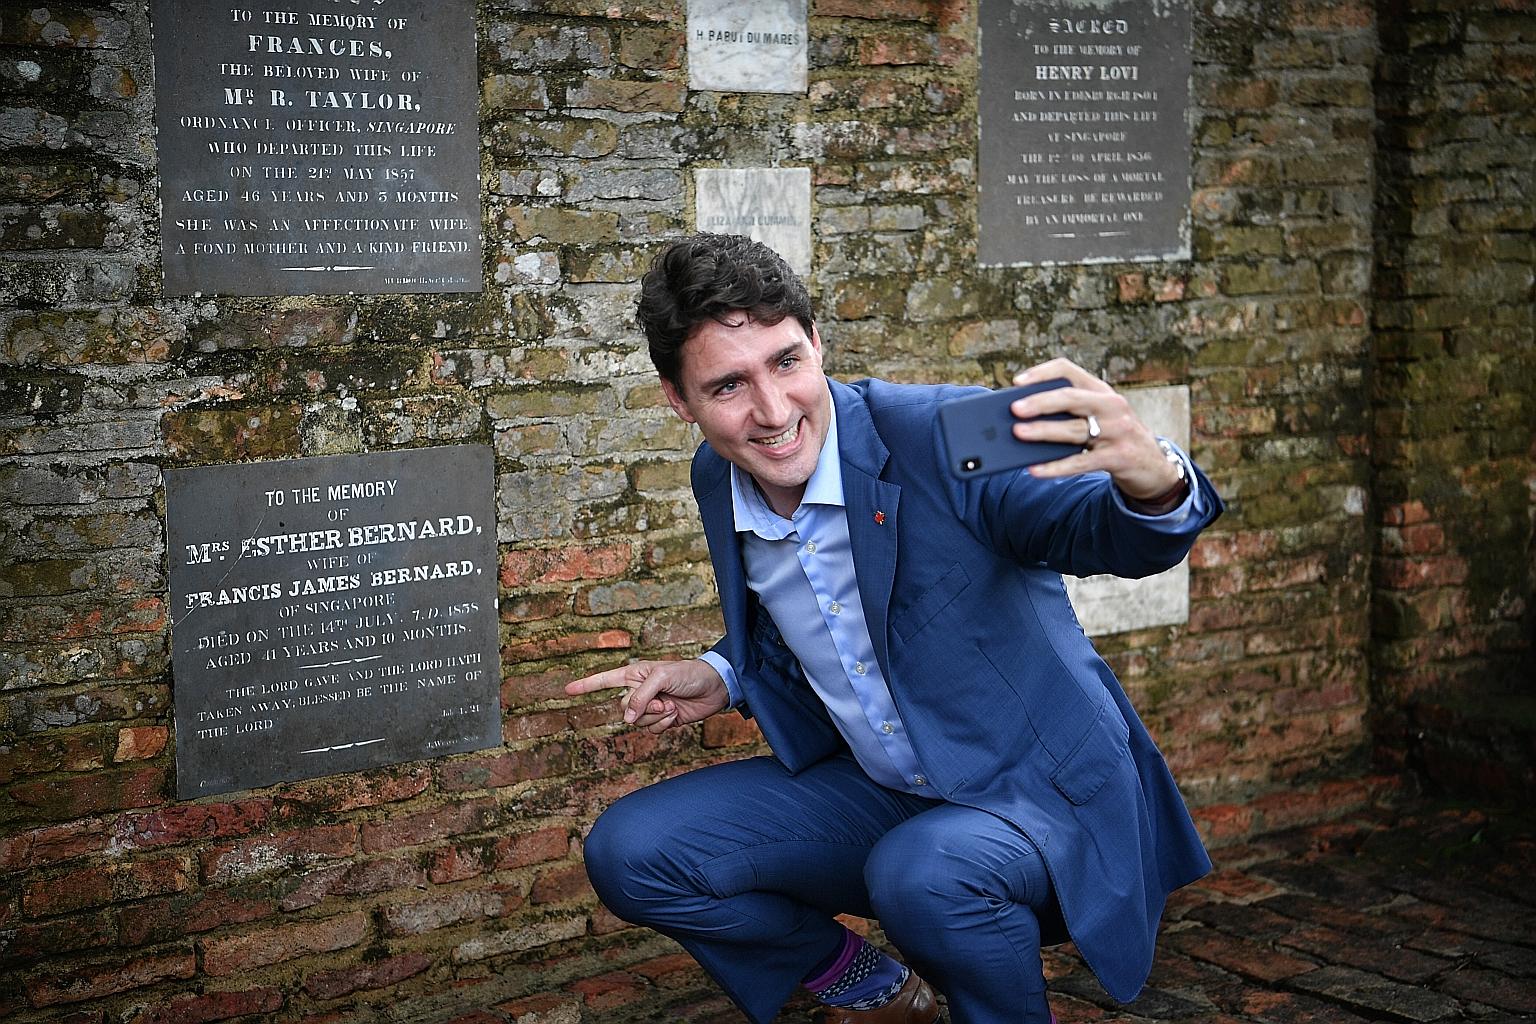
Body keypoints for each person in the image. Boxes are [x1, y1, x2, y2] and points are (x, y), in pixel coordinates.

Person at [566, 233, 1222, 1024]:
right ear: (680, 401)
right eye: (728, 385)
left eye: (786, 362)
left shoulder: (946, 430)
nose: (772, 412)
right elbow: (824, 612)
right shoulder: (721, 471)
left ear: (817, 343)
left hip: (1039, 798)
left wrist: (1155, 483)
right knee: (633, 853)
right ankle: (878, 992)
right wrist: (725, 672)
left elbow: (1092, 528)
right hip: (883, 791)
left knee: (925, 873)